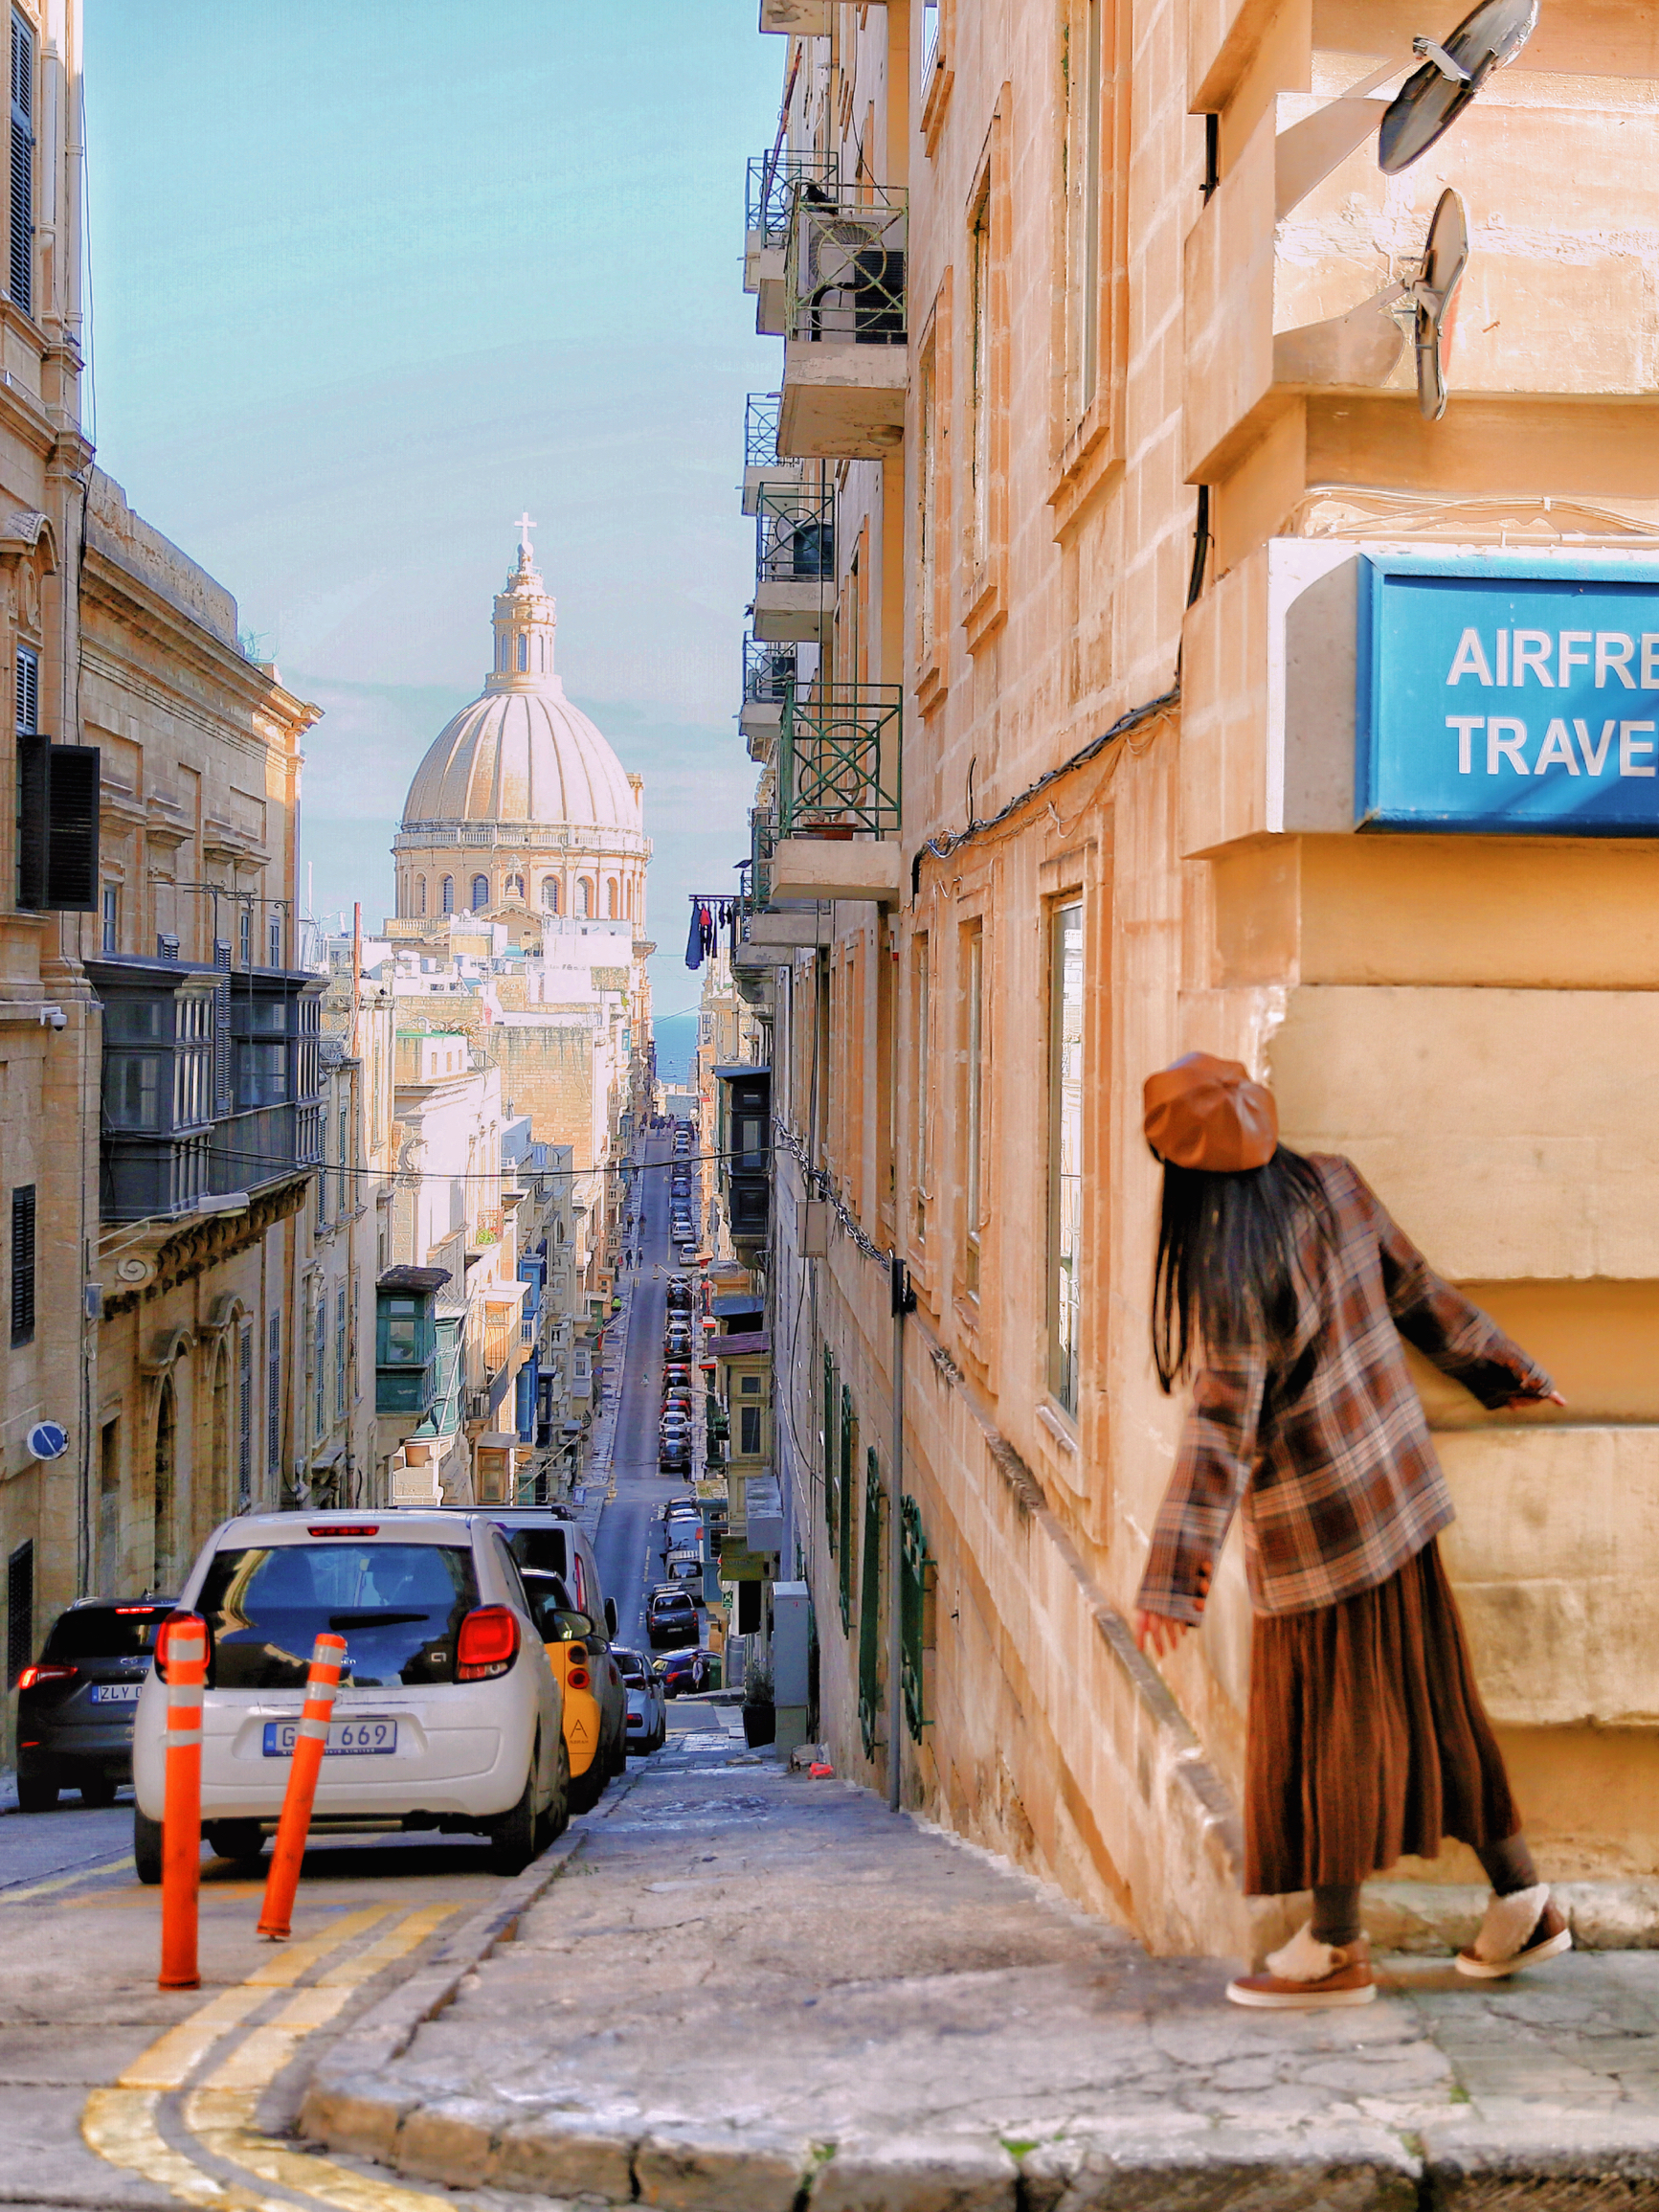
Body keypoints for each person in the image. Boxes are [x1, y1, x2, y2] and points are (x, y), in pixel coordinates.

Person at [1132, 1052, 1570, 2012]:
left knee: (1321, 1735)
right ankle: (1523, 1904)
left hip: (1318, 1538)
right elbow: (1417, 1290)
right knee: (1438, 1712)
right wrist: (1504, 1368)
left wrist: (1171, 1582)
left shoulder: (1226, 1272)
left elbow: (1218, 1436)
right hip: (1398, 1502)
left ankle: (1333, 1949)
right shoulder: (1331, 1180)